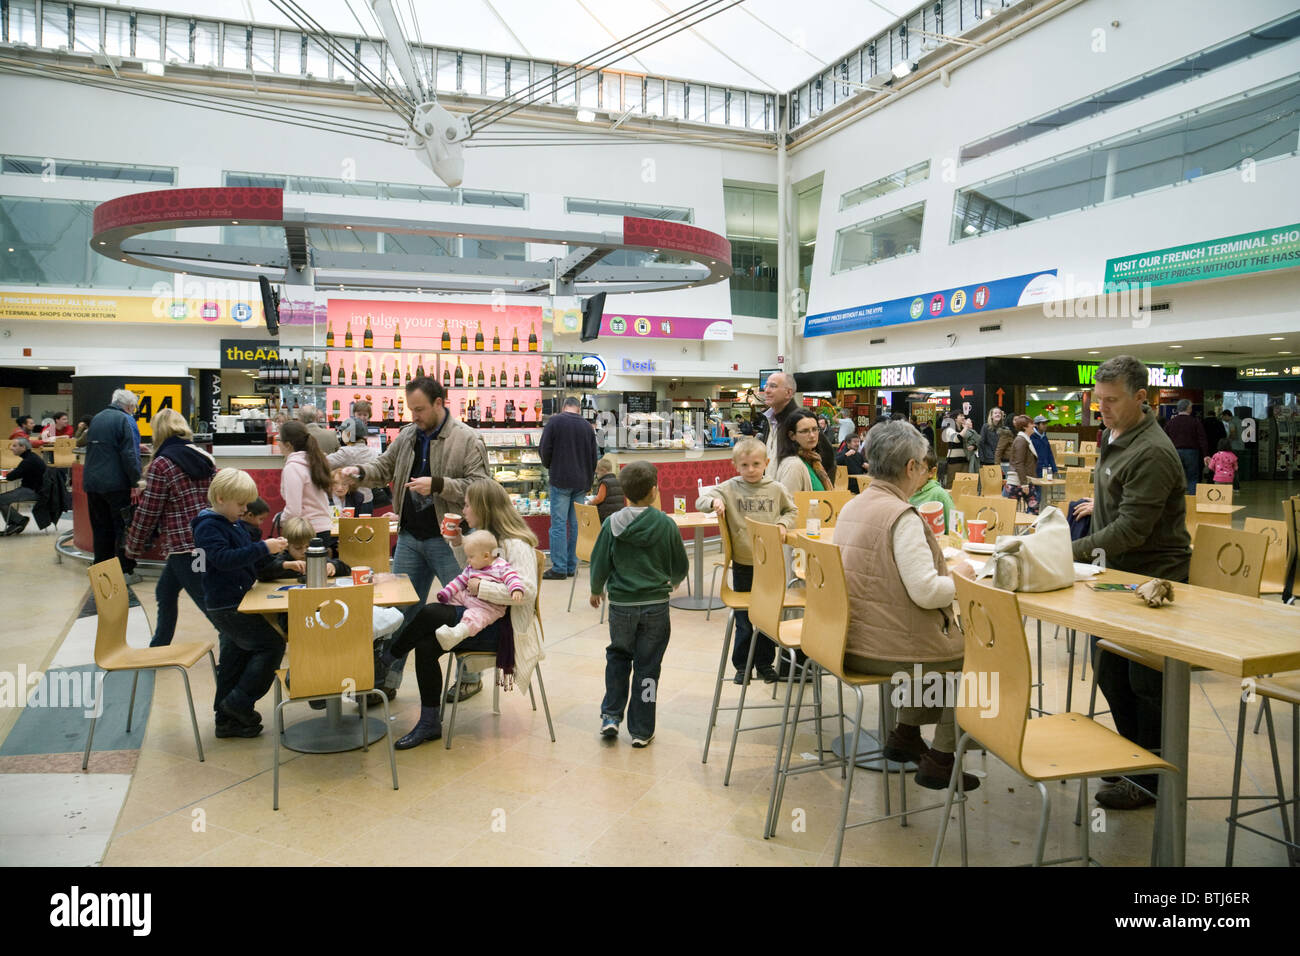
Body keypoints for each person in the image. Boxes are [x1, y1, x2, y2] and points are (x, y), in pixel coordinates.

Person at [1069, 356, 1191, 811]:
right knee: (1110, 671)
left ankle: (1149, 777)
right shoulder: (1113, 434)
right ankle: (1133, 755)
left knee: (1144, 682)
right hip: (1114, 577)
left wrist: (1065, 553)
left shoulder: (1153, 453)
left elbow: (1130, 531)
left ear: (1142, 398)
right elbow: (1117, 507)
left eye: (1112, 400)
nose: (1102, 408)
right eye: (1097, 399)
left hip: (1152, 581)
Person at [836, 421, 980, 791]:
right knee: (977, 657)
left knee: (932, 644)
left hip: (847, 640)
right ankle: (943, 758)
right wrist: (961, 577)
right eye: (923, 462)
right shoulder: (902, 517)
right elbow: (927, 593)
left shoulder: (852, 507)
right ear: (911, 468)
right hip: (884, 649)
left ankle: (907, 733)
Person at [342, 377, 490, 702]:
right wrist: (359, 473)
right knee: (399, 612)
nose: (415, 416)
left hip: (451, 540)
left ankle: (470, 677)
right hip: (410, 536)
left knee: (465, 607)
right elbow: (385, 466)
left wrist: (437, 485)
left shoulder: (467, 439)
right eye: (411, 409)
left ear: (440, 403)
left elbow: (481, 488)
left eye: (420, 409)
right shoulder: (408, 435)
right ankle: (388, 681)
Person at [378, 479, 540, 749]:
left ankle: (387, 658)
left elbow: (528, 591)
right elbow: (471, 571)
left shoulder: (516, 544)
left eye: (467, 505)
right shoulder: (486, 537)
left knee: (430, 612)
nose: (463, 510)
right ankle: (429, 722)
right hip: (482, 617)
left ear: (483, 507)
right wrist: (457, 544)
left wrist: (483, 588)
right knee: (426, 644)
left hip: (505, 630)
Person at [592, 461, 690, 745]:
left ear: (624, 492)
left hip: (622, 605)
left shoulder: (612, 523)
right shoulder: (665, 524)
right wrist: (674, 579)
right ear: (654, 492)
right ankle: (642, 729)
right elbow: (679, 563)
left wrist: (596, 588)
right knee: (648, 667)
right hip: (656, 605)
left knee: (618, 657)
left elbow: (600, 560)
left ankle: (611, 716)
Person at [191, 468, 289, 738]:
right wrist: (263, 548)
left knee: (234, 659)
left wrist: (284, 563)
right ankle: (238, 702)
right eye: (241, 504)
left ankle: (226, 719)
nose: (245, 509)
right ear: (221, 498)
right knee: (271, 645)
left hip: (236, 601)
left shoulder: (232, 523)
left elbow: (253, 562)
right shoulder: (209, 526)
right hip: (227, 604)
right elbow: (223, 559)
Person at [697, 437, 797, 685]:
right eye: (744, 465)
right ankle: (743, 665)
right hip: (743, 563)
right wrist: (713, 501)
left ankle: (764, 663)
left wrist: (783, 524)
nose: (750, 470)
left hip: (770, 563)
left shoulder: (776, 488)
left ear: (766, 463)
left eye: (756, 464)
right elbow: (701, 501)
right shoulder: (729, 487)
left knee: (767, 616)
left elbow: (791, 511)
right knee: (744, 619)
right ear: (735, 465)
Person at [124, 409, 217, 647]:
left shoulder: (162, 464)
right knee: (165, 592)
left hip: (183, 546)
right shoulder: (204, 457)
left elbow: (148, 512)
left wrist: (132, 547)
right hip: (204, 538)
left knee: (209, 604)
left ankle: (238, 645)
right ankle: (159, 645)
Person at [83, 389, 143, 580]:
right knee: (122, 528)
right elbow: (129, 455)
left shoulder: (98, 418)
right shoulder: (126, 420)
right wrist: (136, 480)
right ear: (129, 406)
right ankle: (124, 571)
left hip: (92, 483)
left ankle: (101, 570)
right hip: (116, 484)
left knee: (101, 527)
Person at [433, 529, 526, 648]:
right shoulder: (472, 567)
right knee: (454, 596)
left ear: (486, 556)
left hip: (489, 607)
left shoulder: (501, 567)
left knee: (474, 618)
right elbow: (459, 580)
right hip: (469, 597)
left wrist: (516, 589)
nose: (468, 560)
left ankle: (456, 634)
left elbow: (512, 578)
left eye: (471, 557)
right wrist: (447, 592)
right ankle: (443, 625)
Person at [539, 396, 599, 580]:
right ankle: (572, 566)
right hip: (581, 483)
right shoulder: (587, 427)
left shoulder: (555, 421)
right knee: (575, 525)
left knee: (558, 525)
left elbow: (544, 449)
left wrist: (550, 466)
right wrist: (588, 480)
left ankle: (559, 568)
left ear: (564, 406)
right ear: (579, 409)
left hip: (561, 480)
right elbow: (593, 457)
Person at [277, 420, 333, 541]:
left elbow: (293, 510)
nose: (278, 444)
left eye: (279, 440)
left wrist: (280, 520)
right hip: (324, 528)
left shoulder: (293, 467)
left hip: (306, 531)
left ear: (288, 444)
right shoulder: (315, 460)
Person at [257, 516, 349, 582]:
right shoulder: (281, 558)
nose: (304, 551)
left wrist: (333, 566)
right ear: (287, 546)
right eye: (298, 548)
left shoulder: (315, 557)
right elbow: (261, 573)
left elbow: (346, 569)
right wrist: (286, 565)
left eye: (308, 546)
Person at [775, 409, 833, 495]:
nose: (812, 435)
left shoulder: (813, 460)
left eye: (814, 429)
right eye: (805, 431)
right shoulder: (793, 465)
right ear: (792, 435)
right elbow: (788, 504)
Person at [756, 371, 800, 476]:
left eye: (773, 386)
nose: (766, 390)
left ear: (789, 393)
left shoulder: (800, 420)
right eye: (766, 386)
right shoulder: (768, 420)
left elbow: (825, 460)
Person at [1, 437, 45, 535]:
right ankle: (17, 522)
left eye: (14, 446)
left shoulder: (28, 461)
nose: (11, 448)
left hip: (33, 491)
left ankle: (18, 521)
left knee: (1, 499)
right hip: (37, 489)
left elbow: (11, 477)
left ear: (23, 447)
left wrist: (12, 473)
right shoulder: (32, 457)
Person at [1164, 399, 1208, 494]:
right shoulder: (1195, 422)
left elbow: (1164, 439)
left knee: (1175, 477)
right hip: (1192, 453)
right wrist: (1205, 455)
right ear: (1188, 408)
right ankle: (1192, 500)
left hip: (1175, 452)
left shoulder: (1171, 422)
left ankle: (1176, 501)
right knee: (1192, 478)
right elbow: (1202, 439)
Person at [909, 450, 957, 533]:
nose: (912, 474)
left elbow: (956, 530)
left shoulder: (939, 495)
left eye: (919, 470)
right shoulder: (901, 493)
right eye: (910, 468)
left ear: (931, 472)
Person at [1004, 414, 1041, 514]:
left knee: (1034, 509)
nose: (1034, 425)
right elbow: (1019, 463)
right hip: (1018, 482)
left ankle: (1032, 529)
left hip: (1023, 480)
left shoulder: (1024, 439)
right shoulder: (1021, 440)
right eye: (1031, 423)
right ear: (1025, 426)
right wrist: (1024, 484)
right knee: (1008, 512)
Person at [590, 456, 625, 523]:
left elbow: (599, 498)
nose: (596, 476)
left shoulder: (604, 483)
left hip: (606, 514)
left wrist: (590, 503)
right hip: (618, 513)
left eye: (597, 473)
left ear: (603, 470)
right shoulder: (618, 481)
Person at [1029, 415, 1058, 481]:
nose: (1045, 425)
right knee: (1037, 489)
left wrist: (1054, 468)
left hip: (1046, 467)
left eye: (1046, 423)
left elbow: (1049, 453)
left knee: (1044, 488)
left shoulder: (1044, 436)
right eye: (1043, 423)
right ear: (1036, 425)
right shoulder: (1031, 437)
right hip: (1035, 469)